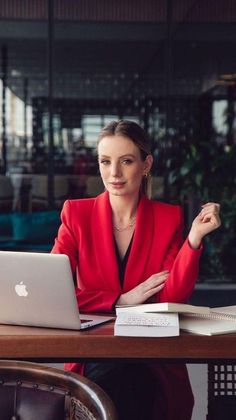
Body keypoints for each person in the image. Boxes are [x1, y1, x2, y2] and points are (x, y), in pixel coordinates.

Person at [52, 120, 221, 420]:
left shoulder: (168, 218)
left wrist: (193, 240)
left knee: (132, 381)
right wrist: (120, 301)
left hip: (150, 354)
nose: (113, 173)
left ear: (146, 165)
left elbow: (171, 297)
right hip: (96, 353)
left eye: (126, 161)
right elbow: (54, 292)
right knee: (114, 378)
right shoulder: (76, 214)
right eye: (106, 162)